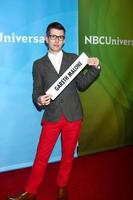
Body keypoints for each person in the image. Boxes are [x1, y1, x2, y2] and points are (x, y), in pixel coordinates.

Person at [8, 22, 101, 200]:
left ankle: (62, 186)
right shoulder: (39, 65)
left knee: (68, 155)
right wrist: (38, 99)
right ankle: (31, 191)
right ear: (46, 38)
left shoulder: (74, 59)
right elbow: (37, 90)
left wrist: (95, 69)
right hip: (51, 115)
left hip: (73, 115)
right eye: (53, 36)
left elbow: (81, 85)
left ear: (64, 40)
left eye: (60, 37)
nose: (56, 40)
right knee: (41, 156)